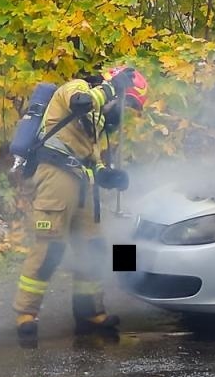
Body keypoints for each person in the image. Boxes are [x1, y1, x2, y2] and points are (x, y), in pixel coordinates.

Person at [13, 65, 148, 347]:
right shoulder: (76, 88)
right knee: (51, 248)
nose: (123, 111)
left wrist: (107, 175)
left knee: (94, 248)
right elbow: (80, 104)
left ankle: (90, 312)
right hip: (55, 178)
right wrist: (113, 88)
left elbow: (91, 157)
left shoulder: (96, 120)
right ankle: (27, 313)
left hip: (85, 188)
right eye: (127, 102)